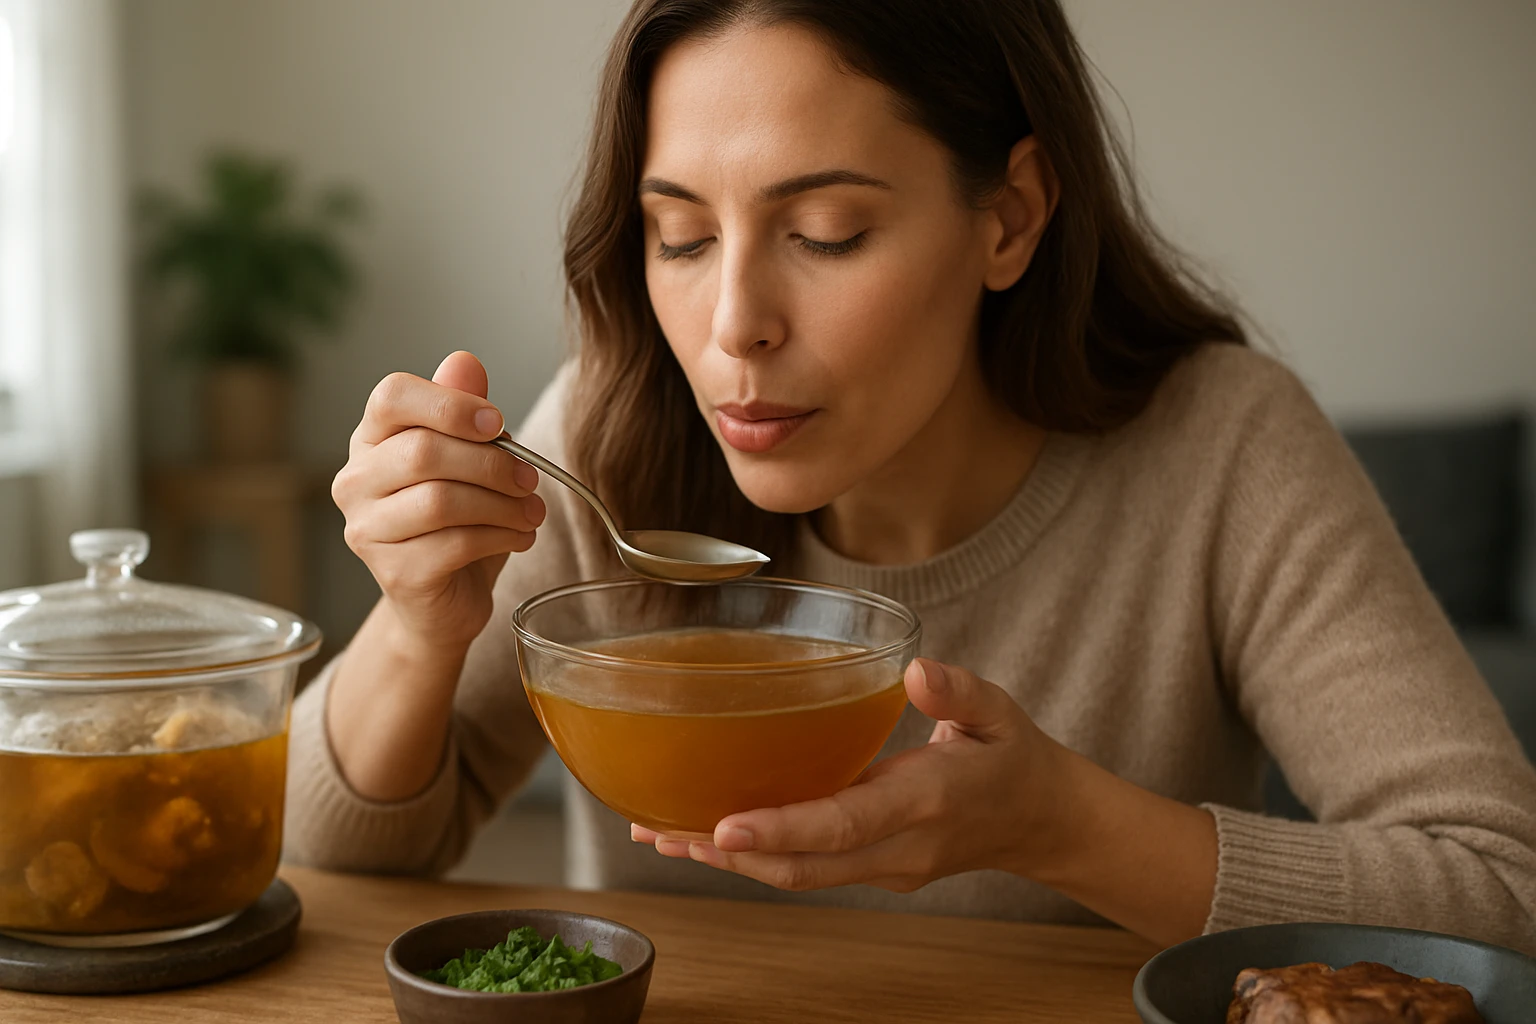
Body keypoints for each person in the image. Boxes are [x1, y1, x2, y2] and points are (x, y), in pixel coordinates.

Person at [283, 0, 1536, 951]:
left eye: (826, 234)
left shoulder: (1223, 447)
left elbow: (1504, 886)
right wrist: (416, 626)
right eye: (681, 235)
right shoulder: (609, 430)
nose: (733, 326)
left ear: (1011, 219)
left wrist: (1068, 826)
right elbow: (325, 862)